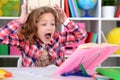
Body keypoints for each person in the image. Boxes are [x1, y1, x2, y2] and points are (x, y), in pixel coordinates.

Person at [0, 2, 87, 67]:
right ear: (34, 26)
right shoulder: (25, 40)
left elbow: (82, 35)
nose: (49, 28)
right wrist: (20, 21)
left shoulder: (57, 38)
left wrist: (66, 21)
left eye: (52, 24)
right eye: (44, 24)